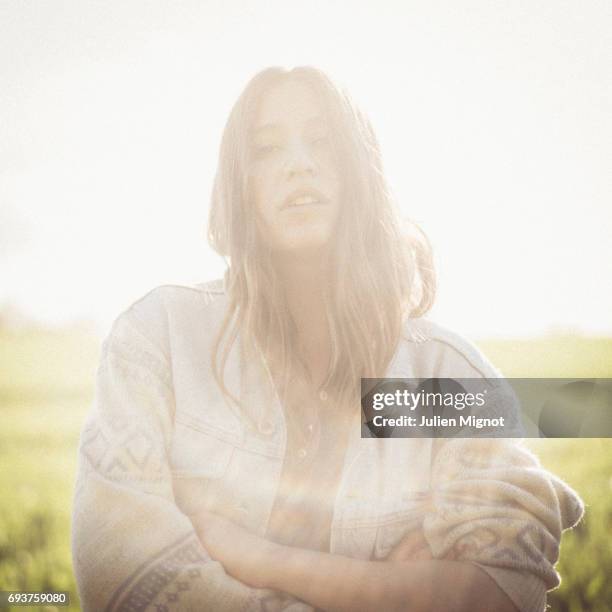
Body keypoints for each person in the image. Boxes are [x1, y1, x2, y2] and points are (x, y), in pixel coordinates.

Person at [72, 66, 584, 612]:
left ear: (361, 171)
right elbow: (120, 571)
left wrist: (265, 560)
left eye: (323, 142)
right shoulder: (160, 338)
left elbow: (508, 591)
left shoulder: (444, 373)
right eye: (266, 149)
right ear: (237, 184)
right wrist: (388, 589)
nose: (299, 163)